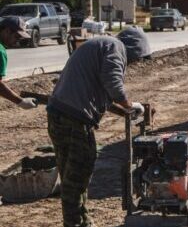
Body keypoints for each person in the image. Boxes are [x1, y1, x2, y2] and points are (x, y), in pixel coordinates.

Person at [47, 27, 151, 227]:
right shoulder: (115, 47)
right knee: (78, 173)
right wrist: (130, 105)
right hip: (74, 120)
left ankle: (82, 220)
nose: (136, 62)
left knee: (70, 173)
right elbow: (113, 84)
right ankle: (75, 223)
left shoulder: (101, 46)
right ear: (135, 47)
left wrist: (125, 112)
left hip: (58, 115)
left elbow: (102, 94)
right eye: (138, 57)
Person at [0, 16, 37, 109]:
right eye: (17, 36)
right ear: (7, 31)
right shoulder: (0, 51)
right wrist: (21, 101)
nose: (17, 41)